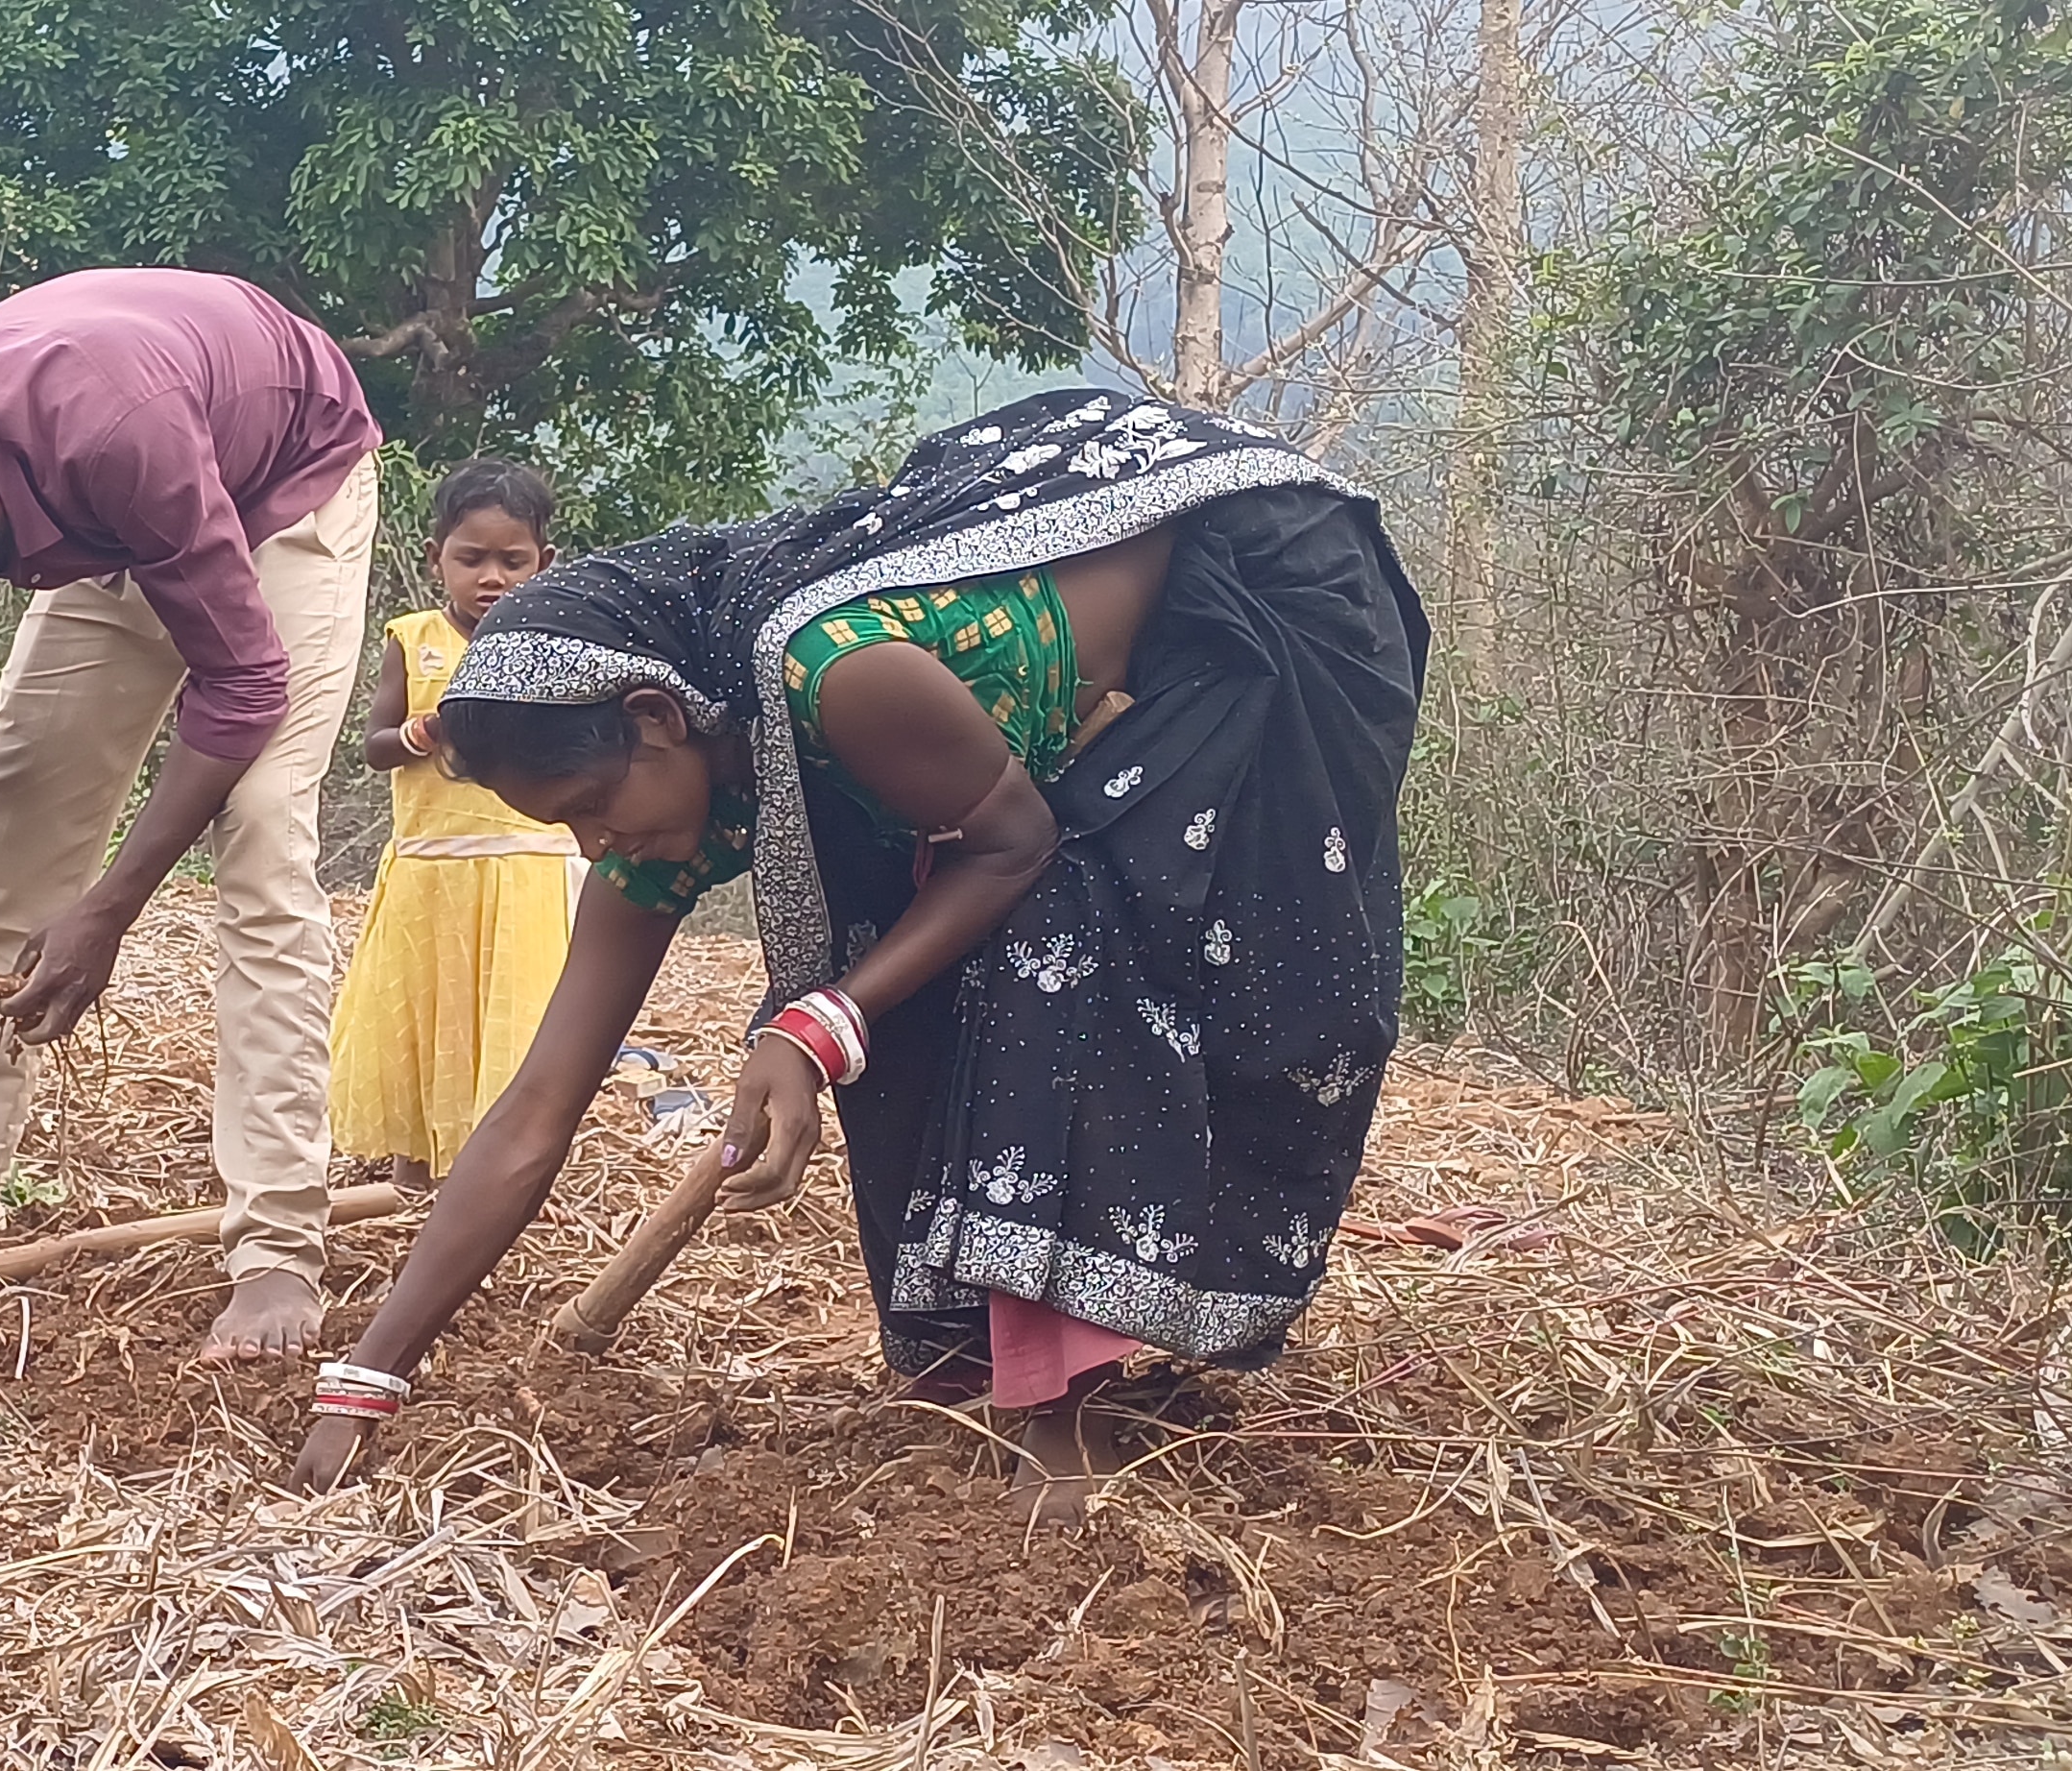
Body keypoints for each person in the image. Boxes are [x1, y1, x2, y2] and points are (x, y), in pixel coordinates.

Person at [293, 393, 1427, 1516]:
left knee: (1055, 926)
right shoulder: (680, 770)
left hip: (1267, 573)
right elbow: (539, 1102)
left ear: (653, 716)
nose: (596, 844)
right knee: (892, 968)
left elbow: (1014, 839)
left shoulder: (839, 672)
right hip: (1116, 631)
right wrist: (371, 1371)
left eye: (592, 805)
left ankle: (1058, 1412)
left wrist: (810, 1021)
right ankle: (987, 1351)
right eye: (568, 829)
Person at [0, 267, 382, 1366]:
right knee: (14, 839)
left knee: (263, 842)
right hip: (119, 524)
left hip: (277, 494)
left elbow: (239, 687)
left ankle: (277, 1244)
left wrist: (109, 910)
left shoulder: (110, 430)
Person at [327, 461, 576, 1198]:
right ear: (437, 557)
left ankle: (502, 1186)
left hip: (525, 868)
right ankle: (413, 1186)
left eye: (512, 561)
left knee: (518, 1032)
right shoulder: (414, 640)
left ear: (545, 564)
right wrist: (425, 731)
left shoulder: (551, 640)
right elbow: (374, 747)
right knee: (423, 1027)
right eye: (472, 559)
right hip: (432, 873)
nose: (491, 577)